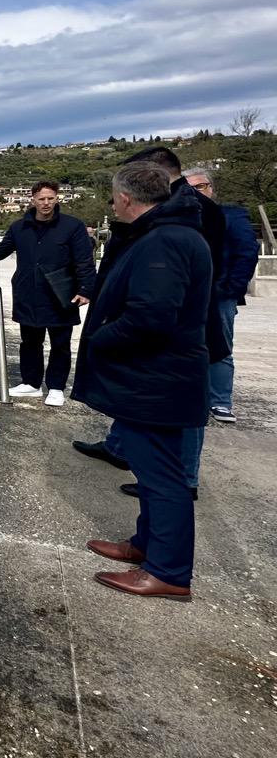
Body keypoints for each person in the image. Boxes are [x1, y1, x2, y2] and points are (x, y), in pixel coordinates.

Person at [71, 163, 211, 600]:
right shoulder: (174, 233)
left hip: (156, 380)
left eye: (114, 198)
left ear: (127, 199)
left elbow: (151, 317)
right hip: (158, 377)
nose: (113, 204)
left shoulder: (164, 241)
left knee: (162, 477)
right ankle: (144, 545)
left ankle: (167, 571)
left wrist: (99, 339)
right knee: (151, 472)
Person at [72, 145, 230, 493]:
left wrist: (105, 334)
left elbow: (168, 290)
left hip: (180, 327)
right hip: (159, 317)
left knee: (177, 411)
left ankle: (182, 479)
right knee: (142, 401)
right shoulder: (166, 213)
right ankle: (120, 448)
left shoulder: (187, 215)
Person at [0, 180, 95, 406]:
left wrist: (86, 289)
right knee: (29, 341)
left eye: (50, 198)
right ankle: (31, 384)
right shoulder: (19, 228)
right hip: (28, 292)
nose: (46, 203)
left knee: (60, 343)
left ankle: (56, 387)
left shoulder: (73, 226)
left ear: (57, 198)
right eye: (41, 199)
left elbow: (84, 260)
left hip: (60, 293)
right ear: (33, 200)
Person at [181, 167, 259, 424]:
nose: (196, 193)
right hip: (186, 293)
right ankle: (193, 396)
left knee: (221, 346)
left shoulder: (231, 216)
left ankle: (220, 401)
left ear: (211, 188)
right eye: (189, 188)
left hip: (218, 294)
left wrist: (228, 290)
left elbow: (246, 254)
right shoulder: (182, 219)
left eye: (201, 186)